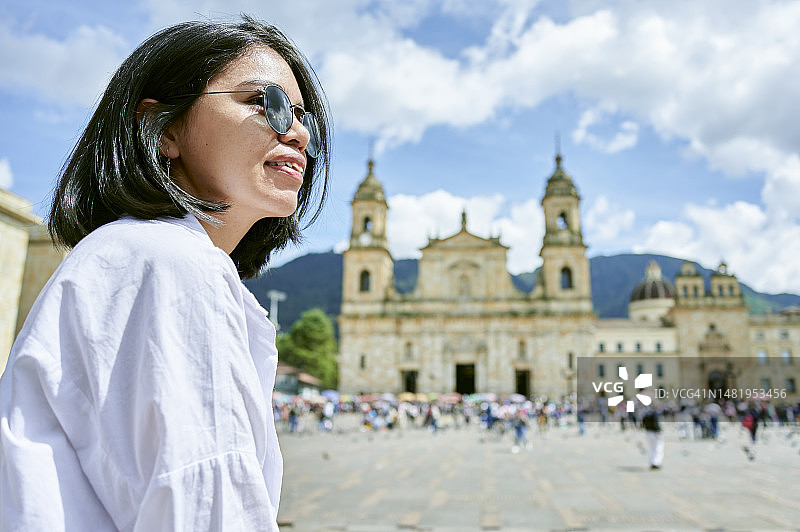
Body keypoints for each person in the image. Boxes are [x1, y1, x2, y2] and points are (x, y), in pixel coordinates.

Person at [0, 15, 330, 531]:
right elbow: (202, 510)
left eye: (304, 115)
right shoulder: (169, 262)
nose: (299, 132)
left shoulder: (137, 255)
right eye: (266, 103)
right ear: (164, 128)